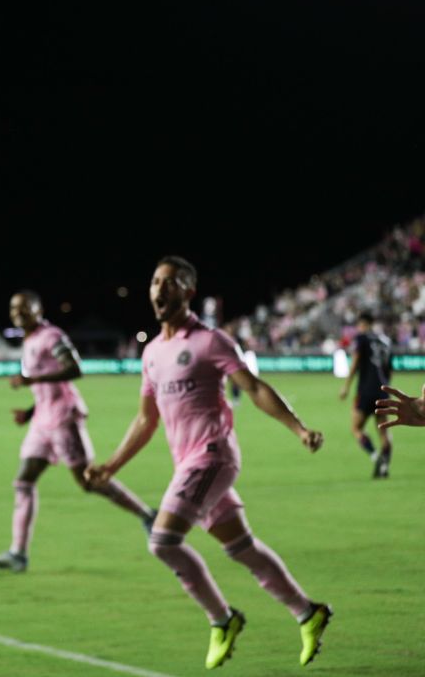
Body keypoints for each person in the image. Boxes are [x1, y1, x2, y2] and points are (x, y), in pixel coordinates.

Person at [86, 256, 331, 669]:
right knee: (241, 548)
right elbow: (147, 420)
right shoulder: (152, 353)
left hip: (212, 457)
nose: (160, 289)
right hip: (187, 462)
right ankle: (308, 613)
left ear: (189, 291)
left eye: (171, 282)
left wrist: (298, 428)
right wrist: (111, 466)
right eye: (155, 281)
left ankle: (223, 619)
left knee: (163, 541)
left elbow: (253, 388)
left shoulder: (210, 341)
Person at [0, 291, 155, 574]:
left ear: (38, 309)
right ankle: (18, 553)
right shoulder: (28, 341)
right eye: (14, 309)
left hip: (64, 418)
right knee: (23, 481)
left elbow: (75, 369)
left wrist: (31, 379)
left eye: (25, 308)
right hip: (42, 420)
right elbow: (43, 390)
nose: (19, 313)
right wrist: (29, 411)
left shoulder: (51, 336)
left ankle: (148, 515)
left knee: (87, 481)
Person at [338, 311, 394, 477]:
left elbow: (355, 362)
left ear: (362, 324)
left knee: (356, 428)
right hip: (383, 392)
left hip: (365, 391)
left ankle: (375, 456)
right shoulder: (385, 341)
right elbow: (389, 370)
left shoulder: (361, 339)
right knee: (384, 431)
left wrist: (346, 386)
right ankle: (384, 467)